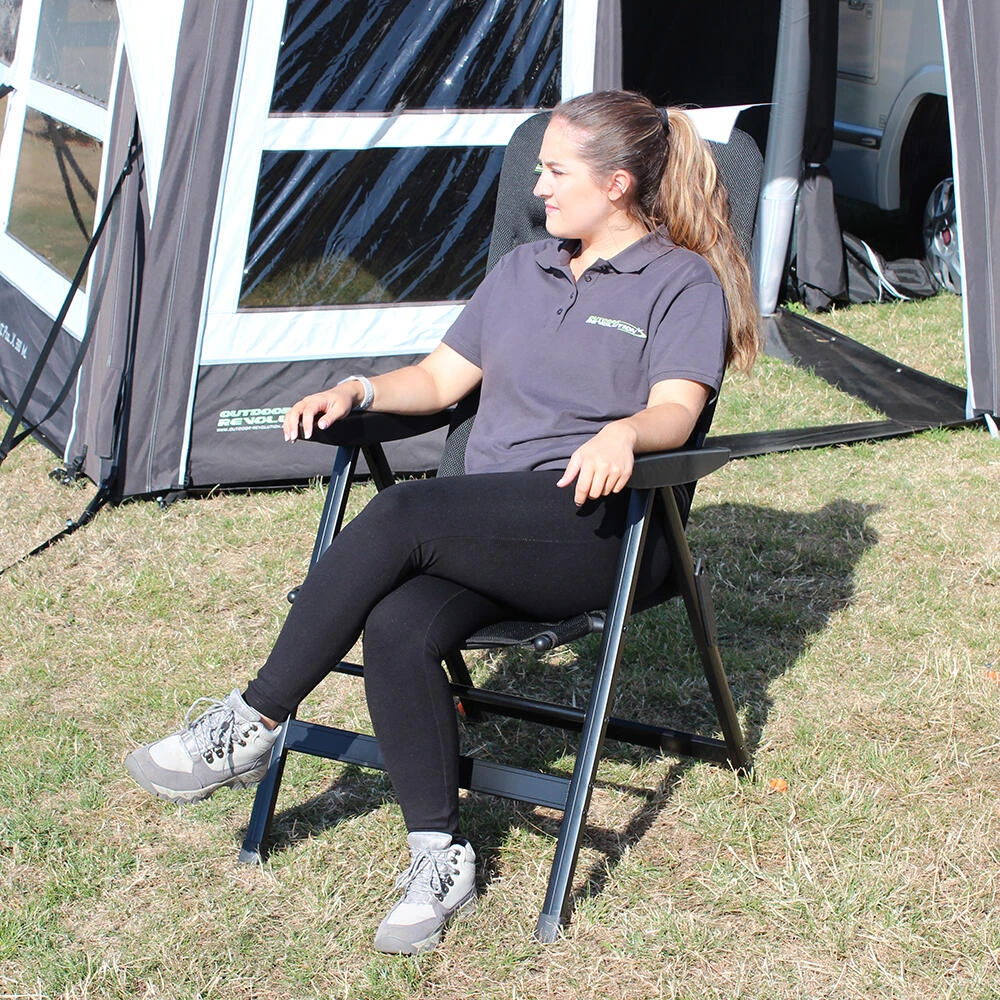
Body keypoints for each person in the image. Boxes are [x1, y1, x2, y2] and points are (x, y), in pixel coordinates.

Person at [125, 90, 759, 955]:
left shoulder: (680, 281)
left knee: (402, 510)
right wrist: (358, 390)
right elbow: (437, 380)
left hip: (601, 527)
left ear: (615, 184)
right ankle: (438, 854)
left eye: (556, 172)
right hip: (489, 525)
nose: (537, 187)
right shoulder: (525, 270)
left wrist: (625, 433)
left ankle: (255, 719)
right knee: (396, 624)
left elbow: (677, 411)